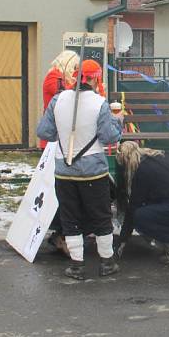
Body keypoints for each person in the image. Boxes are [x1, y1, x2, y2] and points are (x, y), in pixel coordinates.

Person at [36, 59, 123, 280]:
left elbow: (44, 132)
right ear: (95, 78)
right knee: (101, 216)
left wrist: (62, 133)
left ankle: (77, 266)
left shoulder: (58, 100)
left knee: (70, 217)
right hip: (94, 170)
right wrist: (118, 121)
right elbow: (109, 137)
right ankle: (107, 263)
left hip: (64, 172)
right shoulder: (100, 103)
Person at [41, 50, 80, 148]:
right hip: (54, 128)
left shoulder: (63, 78)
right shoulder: (54, 76)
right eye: (75, 67)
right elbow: (65, 95)